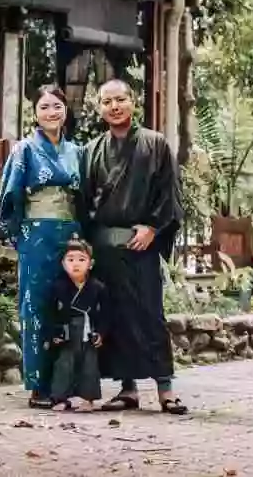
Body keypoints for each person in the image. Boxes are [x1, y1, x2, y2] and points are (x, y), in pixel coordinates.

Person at [79, 78, 188, 415]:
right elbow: (84, 202)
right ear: (99, 108)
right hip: (105, 246)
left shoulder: (155, 144)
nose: (114, 106)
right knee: (114, 317)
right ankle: (128, 389)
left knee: (149, 315)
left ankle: (165, 388)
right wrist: (88, 244)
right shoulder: (91, 150)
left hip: (141, 244)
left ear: (133, 102)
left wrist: (154, 228)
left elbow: (169, 193)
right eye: (107, 101)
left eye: (120, 99)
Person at [0, 85, 82, 409]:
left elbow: (84, 197)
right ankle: (38, 386)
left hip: (70, 233)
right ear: (35, 113)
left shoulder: (77, 151)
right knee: (36, 306)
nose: (51, 112)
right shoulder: (24, 150)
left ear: (65, 110)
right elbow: (9, 198)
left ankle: (66, 383)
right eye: (44, 106)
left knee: (70, 305)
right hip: (37, 233)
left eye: (57, 106)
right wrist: (20, 236)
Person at [47, 237, 107, 412]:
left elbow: (106, 313)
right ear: (63, 263)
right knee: (63, 364)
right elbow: (50, 313)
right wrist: (54, 333)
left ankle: (88, 400)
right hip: (66, 330)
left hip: (89, 330)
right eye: (70, 259)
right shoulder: (58, 287)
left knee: (90, 365)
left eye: (81, 259)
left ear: (91, 263)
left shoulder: (97, 287)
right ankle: (60, 398)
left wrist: (102, 332)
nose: (76, 264)